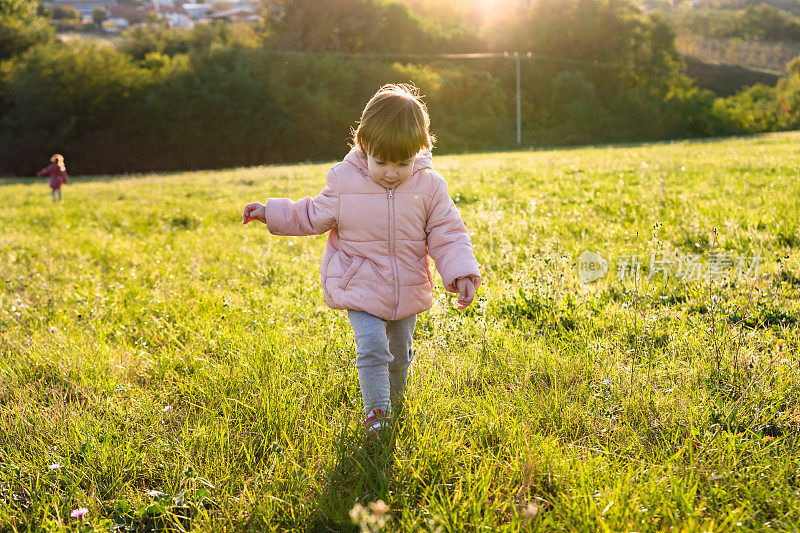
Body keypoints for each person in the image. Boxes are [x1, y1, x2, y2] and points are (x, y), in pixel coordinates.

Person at [242, 84, 481, 437]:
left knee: (400, 354)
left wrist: (461, 273)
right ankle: (377, 412)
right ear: (364, 146)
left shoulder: (430, 186)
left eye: (402, 163)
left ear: (419, 149)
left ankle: (394, 405)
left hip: (407, 287)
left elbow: (448, 232)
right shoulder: (343, 180)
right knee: (372, 347)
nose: (390, 172)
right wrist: (272, 212)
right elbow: (311, 214)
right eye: (381, 161)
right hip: (360, 282)